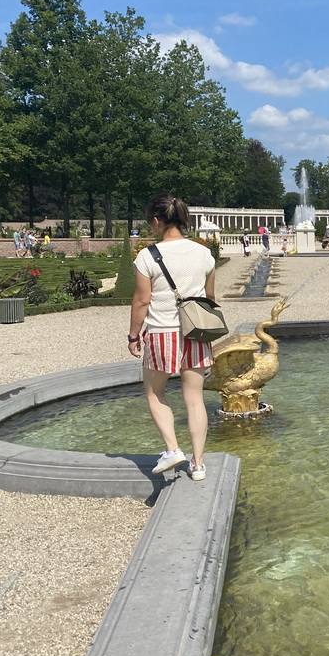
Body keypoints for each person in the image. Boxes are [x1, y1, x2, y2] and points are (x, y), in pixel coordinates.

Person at [127, 195, 217, 482]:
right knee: (194, 399)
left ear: (156, 220)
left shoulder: (147, 255)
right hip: (196, 332)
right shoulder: (204, 253)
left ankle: (172, 449)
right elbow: (210, 297)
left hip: (162, 332)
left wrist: (132, 335)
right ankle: (199, 464)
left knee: (155, 392)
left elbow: (142, 301)